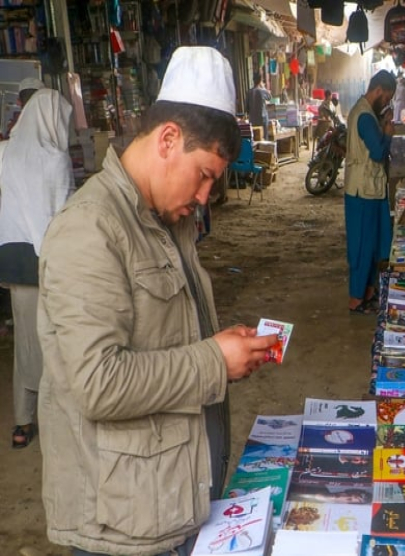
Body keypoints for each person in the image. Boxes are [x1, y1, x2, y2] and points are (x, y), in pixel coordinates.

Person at [36, 47, 278, 556]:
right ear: (168, 139)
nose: (207, 195)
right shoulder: (90, 229)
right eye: (205, 174)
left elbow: (168, 335)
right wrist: (215, 361)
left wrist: (220, 344)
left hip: (170, 503)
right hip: (123, 528)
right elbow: (99, 384)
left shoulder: (171, 222)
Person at [0, 88, 74, 449]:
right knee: (55, 338)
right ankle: (55, 413)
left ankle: (22, 421)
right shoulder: (55, 158)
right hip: (49, 257)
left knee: (26, 340)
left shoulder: (6, 151)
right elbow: (64, 212)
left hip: (13, 257)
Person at [344, 70, 396, 315]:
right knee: (363, 245)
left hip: (368, 189)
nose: (386, 103)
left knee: (372, 244)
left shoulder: (365, 112)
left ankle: (367, 293)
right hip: (362, 191)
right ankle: (357, 299)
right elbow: (376, 152)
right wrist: (386, 134)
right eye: (386, 98)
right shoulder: (364, 116)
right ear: (378, 90)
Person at [247, 70, 272, 139]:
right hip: (262, 119)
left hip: (253, 120)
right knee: (265, 138)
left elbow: (247, 109)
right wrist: (263, 86)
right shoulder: (262, 91)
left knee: (255, 139)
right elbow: (269, 97)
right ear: (260, 80)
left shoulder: (249, 92)